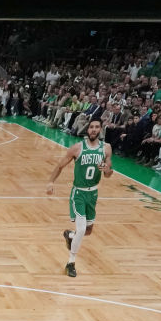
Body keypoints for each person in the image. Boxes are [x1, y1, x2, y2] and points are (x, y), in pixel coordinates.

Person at [46, 119, 113, 278]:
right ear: (87, 129)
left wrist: (107, 170)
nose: (94, 130)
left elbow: (109, 174)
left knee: (88, 231)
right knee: (82, 229)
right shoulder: (77, 148)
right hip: (79, 194)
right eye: (91, 127)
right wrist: (50, 182)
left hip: (93, 194)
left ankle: (70, 235)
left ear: (100, 130)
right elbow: (60, 165)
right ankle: (71, 262)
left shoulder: (106, 148)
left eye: (97, 127)